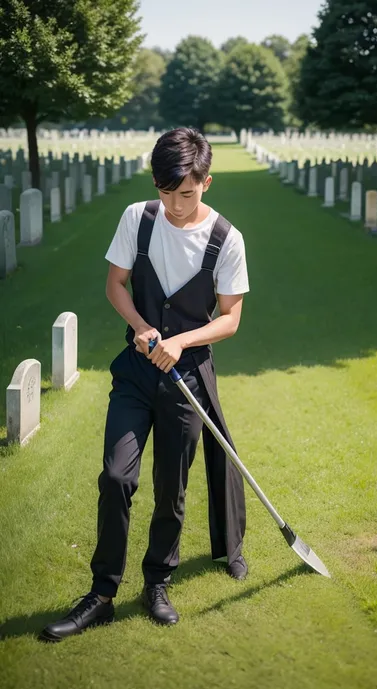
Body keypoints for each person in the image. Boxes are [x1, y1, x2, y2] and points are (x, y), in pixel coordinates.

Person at [40, 128, 249, 642]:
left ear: (206, 182)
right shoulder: (139, 218)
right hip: (135, 373)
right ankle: (101, 593)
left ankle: (157, 582)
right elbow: (115, 284)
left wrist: (182, 342)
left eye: (185, 193)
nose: (175, 205)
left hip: (187, 380)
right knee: (116, 478)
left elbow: (231, 319)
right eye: (165, 191)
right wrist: (140, 327)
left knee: (170, 491)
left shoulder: (228, 238)